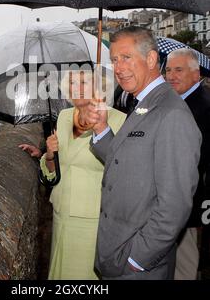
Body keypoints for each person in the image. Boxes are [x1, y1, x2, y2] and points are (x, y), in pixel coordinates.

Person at [81, 26, 201, 280]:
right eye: (114, 59)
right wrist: (101, 128)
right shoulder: (143, 104)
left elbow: (175, 206)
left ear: (150, 59)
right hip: (116, 254)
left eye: (126, 57)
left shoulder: (172, 114)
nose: (118, 67)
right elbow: (129, 163)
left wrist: (137, 260)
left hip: (137, 266)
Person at [22, 70, 126, 280]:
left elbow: (123, 170)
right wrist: (50, 156)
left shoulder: (118, 120)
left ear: (99, 87)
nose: (76, 87)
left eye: (83, 82)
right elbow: (56, 171)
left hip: (93, 219)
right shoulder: (64, 116)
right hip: (61, 213)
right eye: (72, 82)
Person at [165, 48, 210, 280]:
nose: (171, 75)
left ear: (196, 73)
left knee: (184, 266)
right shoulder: (181, 101)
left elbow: (193, 159)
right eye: (168, 70)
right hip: (178, 203)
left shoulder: (202, 106)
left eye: (178, 70)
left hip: (187, 203)